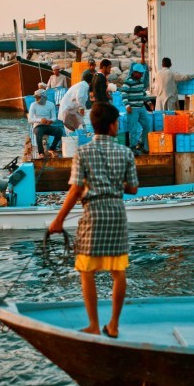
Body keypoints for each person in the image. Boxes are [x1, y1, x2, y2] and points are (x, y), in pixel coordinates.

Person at [49, 103, 139, 338]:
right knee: (118, 271)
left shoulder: (83, 152)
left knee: (86, 270)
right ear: (112, 126)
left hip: (94, 214)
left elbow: (75, 190)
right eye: (117, 123)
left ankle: (93, 325)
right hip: (117, 213)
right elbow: (133, 188)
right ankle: (114, 326)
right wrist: (114, 184)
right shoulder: (126, 152)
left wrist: (58, 221)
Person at [121, 64, 151, 154]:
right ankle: (132, 148)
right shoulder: (128, 82)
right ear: (135, 73)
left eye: (142, 73)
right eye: (140, 73)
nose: (141, 75)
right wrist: (127, 106)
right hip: (133, 109)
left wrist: (149, 102)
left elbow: (143, 93)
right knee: (133, 129)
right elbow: (124, 94)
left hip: (141, 108)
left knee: (147, 126)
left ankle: (141, 144)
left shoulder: (141, 81)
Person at [27, 89, 64, 156]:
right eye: (35, 98)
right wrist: (40, 120)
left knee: (59, 131)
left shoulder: (51, 104)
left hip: (47, 126)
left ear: (43, 97)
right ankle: (41, 152)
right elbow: (30, 119)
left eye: (38, 98)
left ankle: (52, 149)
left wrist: (51, 121)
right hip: (38, 127)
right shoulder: (33, 105)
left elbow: (54, 117)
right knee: (39, 132)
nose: (36, 99)